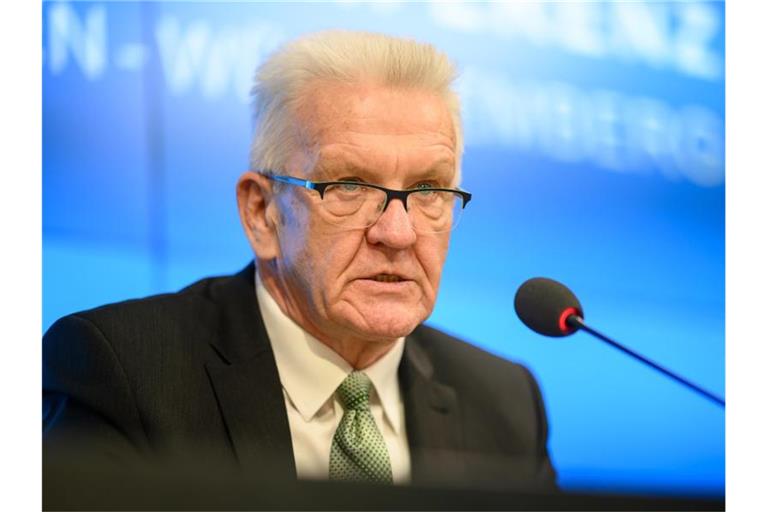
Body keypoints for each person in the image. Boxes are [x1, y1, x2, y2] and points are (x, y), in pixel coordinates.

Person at [43, 30, 556, 495]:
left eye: (428, 190)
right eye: (349, 186)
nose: (398, 233)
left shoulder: (506, 405)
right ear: (262, 213)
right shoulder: (121, 373)